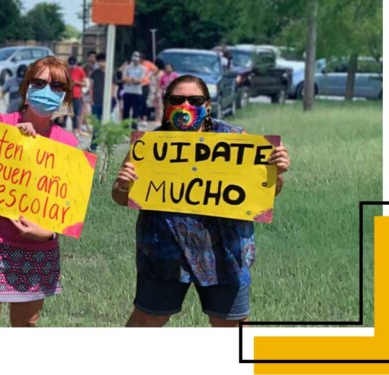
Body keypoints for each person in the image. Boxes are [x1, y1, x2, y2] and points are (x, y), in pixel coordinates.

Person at [111, 75, 291, 328]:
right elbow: (120, 196)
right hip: (164, 252)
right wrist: (124, 184)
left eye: (195, 100)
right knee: (148, 319)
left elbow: (265, 194)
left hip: (225, 253)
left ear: (207, 105)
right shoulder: (149, 145)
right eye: (177, 99)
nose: (186, 105)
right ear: (166, 104)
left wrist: (276, 173)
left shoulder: (236, 139)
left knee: (232, 327)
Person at [0, 56, 76, 327]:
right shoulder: (2, 121)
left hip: (37, 247)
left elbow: (67, 202)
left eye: (58, 86)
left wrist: (48, 232)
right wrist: (10, 136)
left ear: (65, 96)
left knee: (26, 325)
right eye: (40, 83)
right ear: (26, 88)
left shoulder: (68, 143)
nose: (48, 91)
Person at [121, 52, 146, 128]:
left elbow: (140, 80)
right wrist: (132, 79)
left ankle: (134, 127)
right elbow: (123, 78)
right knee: (126, 111)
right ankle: (124, 127)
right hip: (128, 91)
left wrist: (131, 80)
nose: (135, 60)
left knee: (136, 111)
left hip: (137, 92)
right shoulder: (127, 67)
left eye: (137, 58)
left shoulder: (142, 68)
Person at [68, 56, 87, 133]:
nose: (72, 67)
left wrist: (76, 82)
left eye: (73, 65)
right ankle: (74, 129)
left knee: (77, 113)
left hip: (77, 95)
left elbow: (85, 83)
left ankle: (77, 129)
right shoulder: (66, 70)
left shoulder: (80, 71)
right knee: (69, 113)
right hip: (68, 95)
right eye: (70, 65)